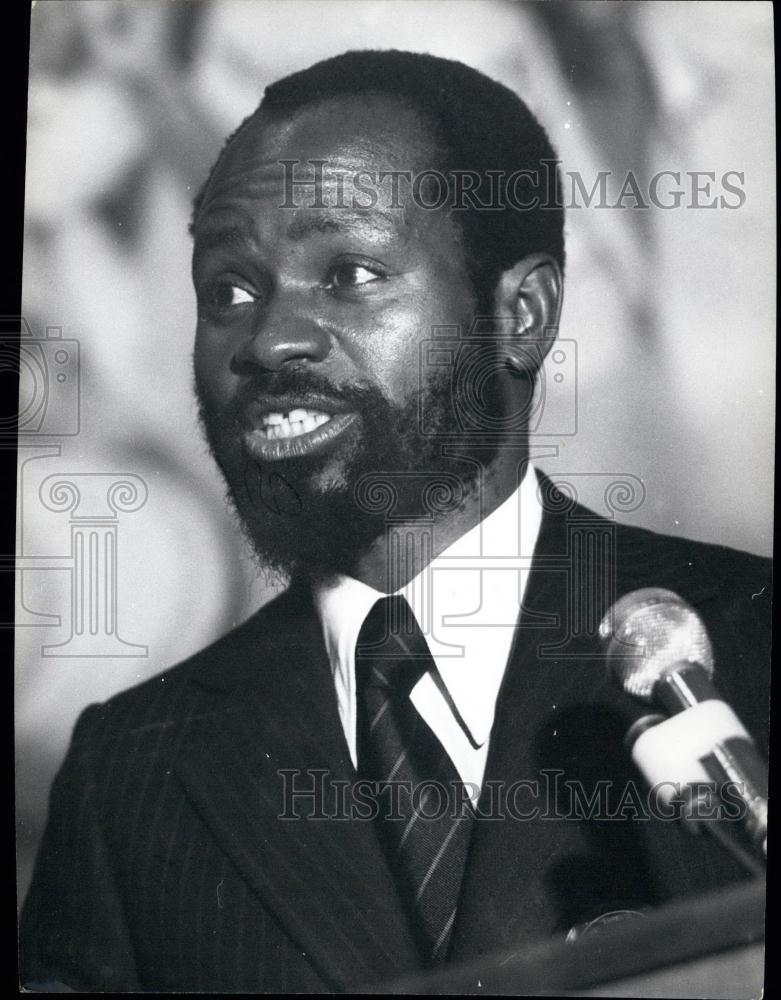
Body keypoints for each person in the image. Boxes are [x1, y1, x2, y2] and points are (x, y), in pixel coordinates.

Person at [19, 50, 770, 993]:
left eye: (350, 272)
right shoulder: (127, 775)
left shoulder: (751, 642)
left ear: (523, 315)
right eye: (230, 291)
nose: (269, 339)